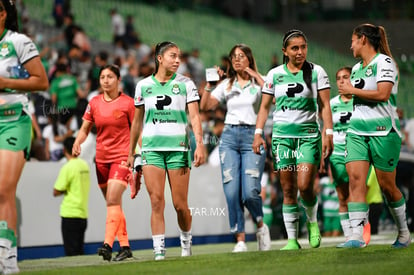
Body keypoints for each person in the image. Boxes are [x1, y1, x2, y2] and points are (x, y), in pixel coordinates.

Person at [252, 29, 334, 250]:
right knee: (288, 190)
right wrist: (258, 133)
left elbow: (325, 106)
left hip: (308, 137)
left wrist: (328, 133)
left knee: (305, 185)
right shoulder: (274, 75)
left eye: (303, 47)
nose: (300, 52)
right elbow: (265, 107)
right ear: (285, 51)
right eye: (295, 48)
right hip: (282, 138)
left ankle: (313, 222)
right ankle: (292, 240)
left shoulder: (318, 72)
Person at [128, 41, 205, 260]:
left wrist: (199, 143)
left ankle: (186, 242)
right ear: (159, 58)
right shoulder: (143, 85)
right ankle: (159, 251)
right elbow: (136, 123)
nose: (178, 60)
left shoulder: (186, 84)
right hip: (151, 149)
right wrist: (131, 152)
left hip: (178, 149)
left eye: (179, 56)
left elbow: (195, 117)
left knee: (180, 205)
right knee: (156, 201)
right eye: (173, 56)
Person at [338, 23, 411, 248]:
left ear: (363, 40)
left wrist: (352, 91)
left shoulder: (385, 62)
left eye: (352, 40)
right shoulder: (357, 67)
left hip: (383, 131)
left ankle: (403, 233)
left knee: (387, 187)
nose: (350, 45)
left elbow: (383, 93)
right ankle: (356, 237)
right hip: (357, 132)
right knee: (356, 181)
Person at [200, 44, 271, 252]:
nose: (237, 60)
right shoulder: (227, 84)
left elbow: (273, 96)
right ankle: (240, 240)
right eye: (234, 57)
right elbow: (205, 106)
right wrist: (209, 85)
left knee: (249, 191)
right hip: (229, 137)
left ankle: (260, 224)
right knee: (231, 191)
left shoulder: (260, 81)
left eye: (242, 56)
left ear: (249, 58)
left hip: (253, 137)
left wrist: (253, 73)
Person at [0, 0, 49, 273]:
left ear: (3, 14)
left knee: (3, 190)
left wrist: (6, 83)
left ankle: (7, 261)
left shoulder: (17, 42)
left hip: (13, 122)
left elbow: (41, 81)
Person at [73, 64, 140, 261]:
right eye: (102, 77)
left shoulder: (128, 103)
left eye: (110, 77)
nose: (105, 80)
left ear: (118, 79)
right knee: (114, 204)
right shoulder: (93, 102)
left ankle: (107, 245)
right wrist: (77, 142)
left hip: (122, 157)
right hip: (100, 160)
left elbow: (138, 131)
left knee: (112, 199)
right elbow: (85, 128)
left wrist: (138, 154)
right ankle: (125, 247)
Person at [53, 136, 91, 256]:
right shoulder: (85, 165)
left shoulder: (68, 167)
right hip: (83, 214)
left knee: (71, 253)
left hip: (70, 213)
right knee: (79, 251)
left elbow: (56, 191)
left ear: (64, 150)